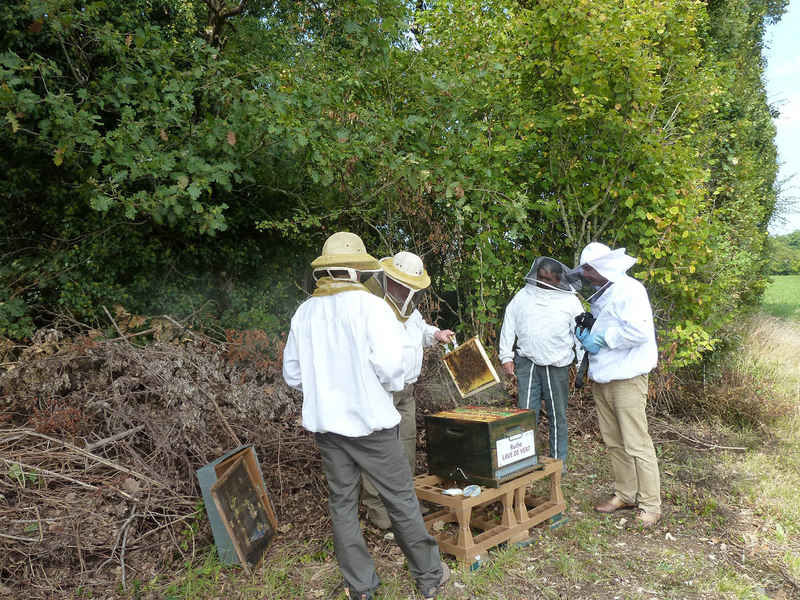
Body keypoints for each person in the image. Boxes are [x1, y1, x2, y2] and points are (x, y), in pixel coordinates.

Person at [282, 232, 449, 600]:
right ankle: (429, 576)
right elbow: (392, 371)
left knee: (342, 504)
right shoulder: (373, 308)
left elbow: (292, 375)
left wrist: (328, 387)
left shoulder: (304, 311)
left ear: (326, 271)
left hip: (328, 430)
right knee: (401, 498)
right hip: (373, 428)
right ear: (359, 270)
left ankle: (360, 587)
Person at [361, 251, 455, 530]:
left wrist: (436, 335)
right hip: (379, 391)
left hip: (406, 392)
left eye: (413, 287)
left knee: (405, 448)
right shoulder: (371, 307)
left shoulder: (409, 309)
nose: (409, 292)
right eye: (404, 285)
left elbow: (419, 329)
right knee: (377, 450)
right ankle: (378, 511)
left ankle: (404, 504)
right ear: (389, 279)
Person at [569, 242, 661, 527]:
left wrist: (604, 338)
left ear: (603, 268)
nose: (585, 275)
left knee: (636, 442)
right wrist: (586, 338)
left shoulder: (630, 291)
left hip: (628, 378)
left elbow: (639, 332)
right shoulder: (603, 293)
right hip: (604, 377)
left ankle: (650, 505)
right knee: (614, 442)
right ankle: (625, 494)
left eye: (588, 269)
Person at [498, 257, 584, 473]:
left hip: (557, 365)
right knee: (526, 414)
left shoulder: (571, 301)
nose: (542, 281)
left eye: (547, 278)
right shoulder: (524, 294)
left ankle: (558, 463)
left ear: (558, 280)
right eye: (540, 276)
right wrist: (506, 357)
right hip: (527, 362)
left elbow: (581, 334)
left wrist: (583, 365)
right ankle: (523, 462)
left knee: (558, 415)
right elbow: (509, 322)